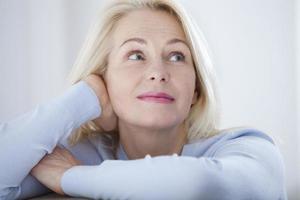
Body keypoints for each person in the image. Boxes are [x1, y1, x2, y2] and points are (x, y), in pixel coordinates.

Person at [0, 0, 287, 199]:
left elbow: (197, 186)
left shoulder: (251, 149)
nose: (158, 73)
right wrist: (83, 97)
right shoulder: (88, 153)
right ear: (105, 77)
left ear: (196, 90)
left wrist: (71, 177)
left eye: (177, 56)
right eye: (136, 55)